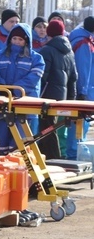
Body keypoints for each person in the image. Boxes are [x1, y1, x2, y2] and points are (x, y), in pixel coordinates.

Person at [0, 23, 44, 155]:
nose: (17, 42)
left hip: (25, 107)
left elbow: (33, 78)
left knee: (22, 143)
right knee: (0, 142)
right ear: (10, 39)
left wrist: (16, 89)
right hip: (2, 105)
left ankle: (22, 169)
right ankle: (0, 167)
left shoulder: (37, 59)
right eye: (14, 39)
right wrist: (4, 89)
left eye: (20, 39)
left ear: (26, 41)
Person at [37, 19, 77, 159]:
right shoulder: (69, 52)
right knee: (52, 128)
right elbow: (73, 78)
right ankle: (48, 157)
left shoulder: (47, 50)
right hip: (62, 96)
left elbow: (42, 77)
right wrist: (71, 100)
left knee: (46, 129)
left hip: (47, 96)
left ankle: (53, 159)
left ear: (49, 32)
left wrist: (36, 96)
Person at [65, 16, 94, 158]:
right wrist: (82, 92)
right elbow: (83, 69)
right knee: (79, 125)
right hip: (85, 92)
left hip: (85, 90)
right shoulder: (85, 43)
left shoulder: (82, 40)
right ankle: (75, 156)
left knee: (79, 125)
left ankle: (75, 154)